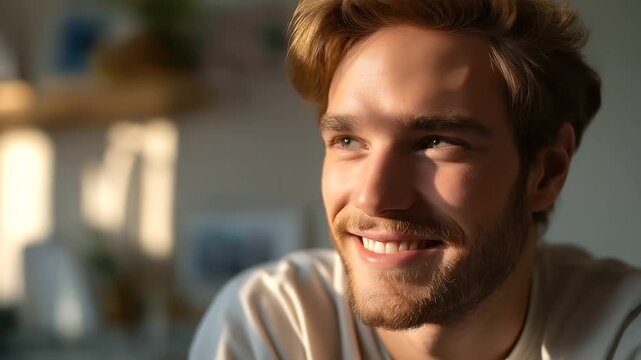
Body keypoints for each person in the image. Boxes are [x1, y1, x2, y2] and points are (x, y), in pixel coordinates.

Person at [190, 0, 641, 359]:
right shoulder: (270, 325)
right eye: (348, 140)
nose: (374, 196)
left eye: (436, 140)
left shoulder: (621, 333)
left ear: (547, 171)